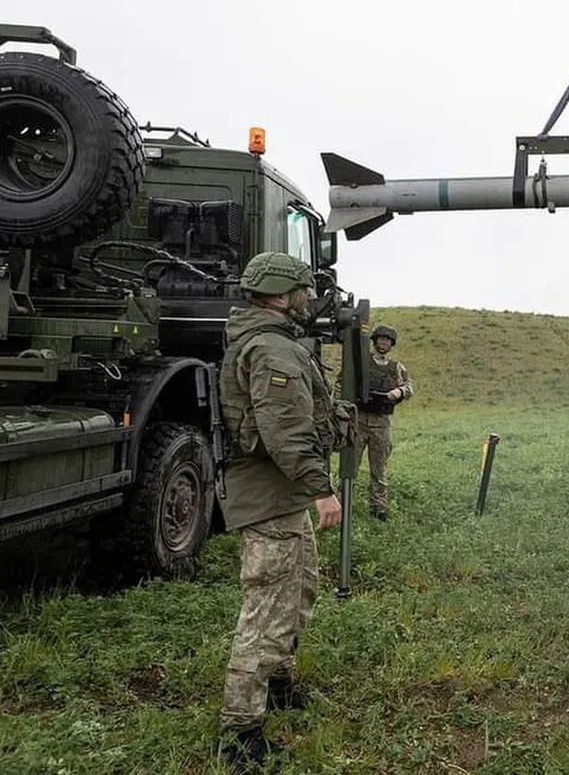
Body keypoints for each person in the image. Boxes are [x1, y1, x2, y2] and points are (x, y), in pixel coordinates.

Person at [217, 252, 344, 769]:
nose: (309, 298)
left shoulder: (276, 343)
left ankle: (279, 684)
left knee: (298, 591)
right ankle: (240, 731)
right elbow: (285, 432)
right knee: (266, 607)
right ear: (278, 294)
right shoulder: (271, 350)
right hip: (273, 495)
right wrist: (322, 489)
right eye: (302, 290)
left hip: (283, 494)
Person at [355, 323, 413, 519]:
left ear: (392, 344)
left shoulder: (397, 367)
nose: (383, 342)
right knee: (350, 467)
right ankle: (341, 505)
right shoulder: (362, 362)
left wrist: (398, 392)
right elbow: (342, 383)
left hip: (382, 423)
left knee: (379, 470)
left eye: (387, 340)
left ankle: (379, 509)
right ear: (374, 341)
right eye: (380, 338)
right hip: (359, 421)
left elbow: (409, 388)